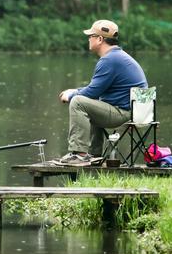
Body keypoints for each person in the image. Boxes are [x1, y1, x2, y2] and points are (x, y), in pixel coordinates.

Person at [55, 19, 148, 166]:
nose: (88, 38)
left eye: (91, 35)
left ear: (100, 39)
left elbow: (91, 92)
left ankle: (79, 154)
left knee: (78, 102)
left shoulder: (109, 60)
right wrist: (77, 90)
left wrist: (72, 94)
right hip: (135, 112)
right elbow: (97, 89)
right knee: (89, 102)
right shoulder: (117, 57)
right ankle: (93, 154)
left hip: (124, 113)